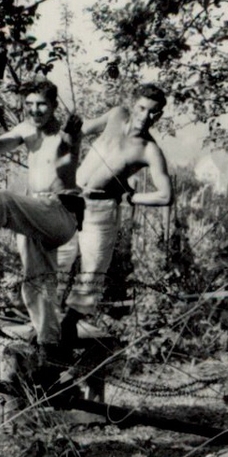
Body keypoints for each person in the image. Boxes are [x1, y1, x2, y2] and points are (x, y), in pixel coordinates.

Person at [65, 83, 173, 337]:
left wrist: (132, 198)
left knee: (92, 271)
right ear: (132, 103)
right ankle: (43, 322)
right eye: (142, 108)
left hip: (102, 210)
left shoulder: (150, 150)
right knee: (54, 258)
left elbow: (166, 195)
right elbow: (79, 132)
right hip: (71, 197)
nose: (145, 116)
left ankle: (67, 327)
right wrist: (72, 130)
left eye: (153, 112)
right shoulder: (116, 115)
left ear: (159, 116)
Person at [0, 78, 84, 355]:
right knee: (36, 282)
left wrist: (71, 135)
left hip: (59, 212)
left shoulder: (65, 133)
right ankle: (49, 346)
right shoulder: (26, 129)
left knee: (4, 200)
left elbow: (66, 156)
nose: (35, 110)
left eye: (42, 104)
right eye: (29, 104)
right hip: (38, 211)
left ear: (55, 105)